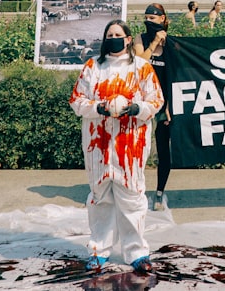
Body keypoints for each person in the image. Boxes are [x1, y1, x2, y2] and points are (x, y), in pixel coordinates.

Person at [69, 19, 163, 273]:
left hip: (130, 143)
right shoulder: (92, 67)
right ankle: (99, 250)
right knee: (100, 198)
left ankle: (137, 252)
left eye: (118, 34)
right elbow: (77, 101)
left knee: (132, 198)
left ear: (128, 39)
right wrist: (98, 107)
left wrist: (136, 108)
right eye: (109, 34)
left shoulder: (142, 68)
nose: (113, 38)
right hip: (97, 145)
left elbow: (156, 101)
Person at [132, 4, 173, 212]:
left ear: (163, 19)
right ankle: (136, 190)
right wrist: (155, 42)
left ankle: (159, 191)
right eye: (146, 17)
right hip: (143, 102)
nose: (149, 21)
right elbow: (140, 64)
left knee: (163, 150)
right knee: (138, 148)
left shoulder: (171, 42)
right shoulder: (142, 39)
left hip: (164, 103)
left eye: (153, 18)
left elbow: (176, 77)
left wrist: (171, 106)